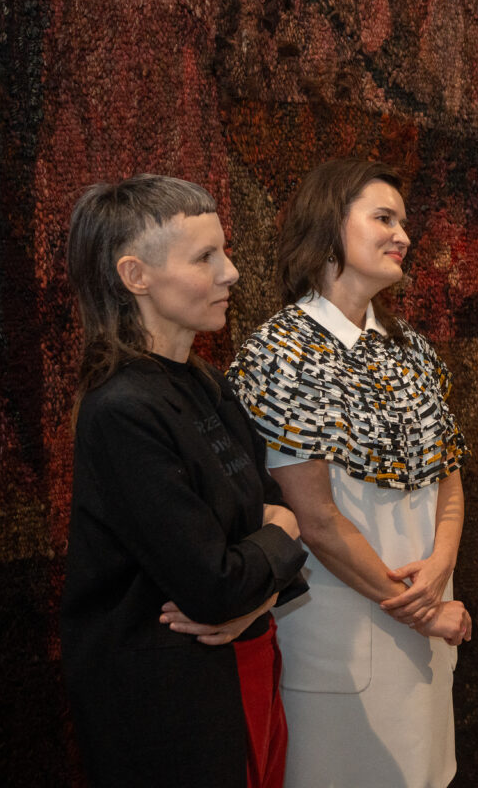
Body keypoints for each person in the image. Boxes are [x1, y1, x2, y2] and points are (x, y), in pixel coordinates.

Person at [60, 175, 309, 788]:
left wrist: (259, 587)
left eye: (224, 251)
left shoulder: (206, 382)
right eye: (205, 257)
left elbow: (269, 514)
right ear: (135, 276)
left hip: (241, 672)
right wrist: (275, 543)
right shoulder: (121, 411)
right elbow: (216, 583)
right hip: (171, 709)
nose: (231, 273)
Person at [230, 159, 471, 788]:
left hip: (425, 621)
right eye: (384, 218)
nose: (403, 236)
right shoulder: (281, 352)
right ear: (329, 224)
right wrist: (422, 610)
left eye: (404, 222)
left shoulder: (411, 349)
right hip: (343, 638)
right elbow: (314, 519)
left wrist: (440, 568)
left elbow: (448, 472)